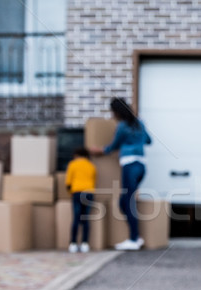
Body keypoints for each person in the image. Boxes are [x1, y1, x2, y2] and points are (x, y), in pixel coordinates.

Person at [91, 97, 152, 251]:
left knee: (127, 203)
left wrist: (99, 150)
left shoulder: (122, 126)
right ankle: (135, 237)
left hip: (130, 166)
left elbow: (112, 146)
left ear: (117, 112)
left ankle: (134, 239)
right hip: (141, 166)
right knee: (124, 202)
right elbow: (149, 141)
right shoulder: (140, 124)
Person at [65, 147, 96, 253]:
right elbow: (93, 180)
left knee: (76, 218)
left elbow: (68, 182)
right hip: (89, 193)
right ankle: (85, 243)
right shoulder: (91, 166)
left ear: (76, 155)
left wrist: (71, 191)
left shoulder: (73, 164)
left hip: (77, 193)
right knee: (85, 219)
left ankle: (73, 243)